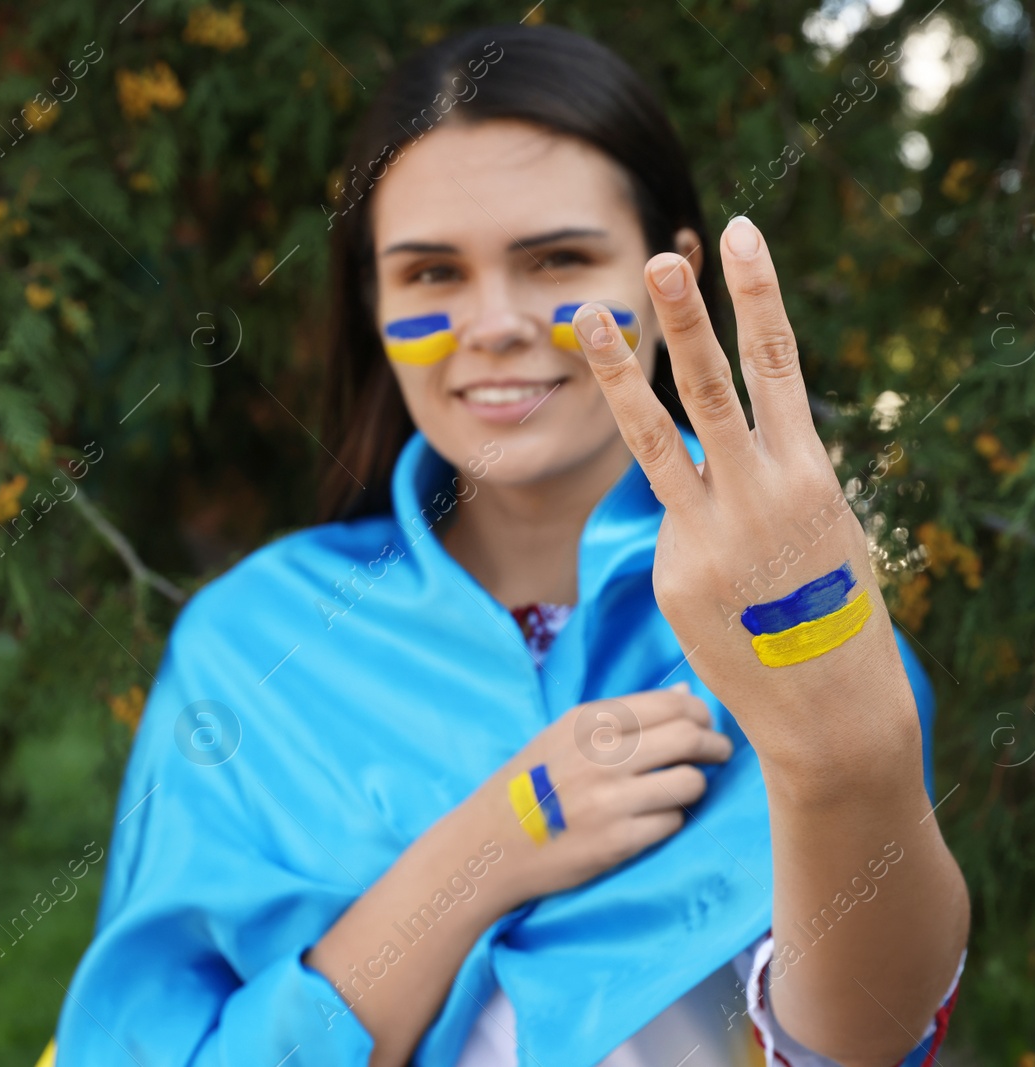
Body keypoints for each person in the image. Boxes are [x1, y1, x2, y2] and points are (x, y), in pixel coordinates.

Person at [49, 23, 969, 1067]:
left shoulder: (795, 605)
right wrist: (490, 846)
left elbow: (863, 1047)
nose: (492, 322)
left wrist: (844, 756)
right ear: (374, 301)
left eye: (557, 259)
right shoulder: (250, 644)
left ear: (672, 275)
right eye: (432, 272)